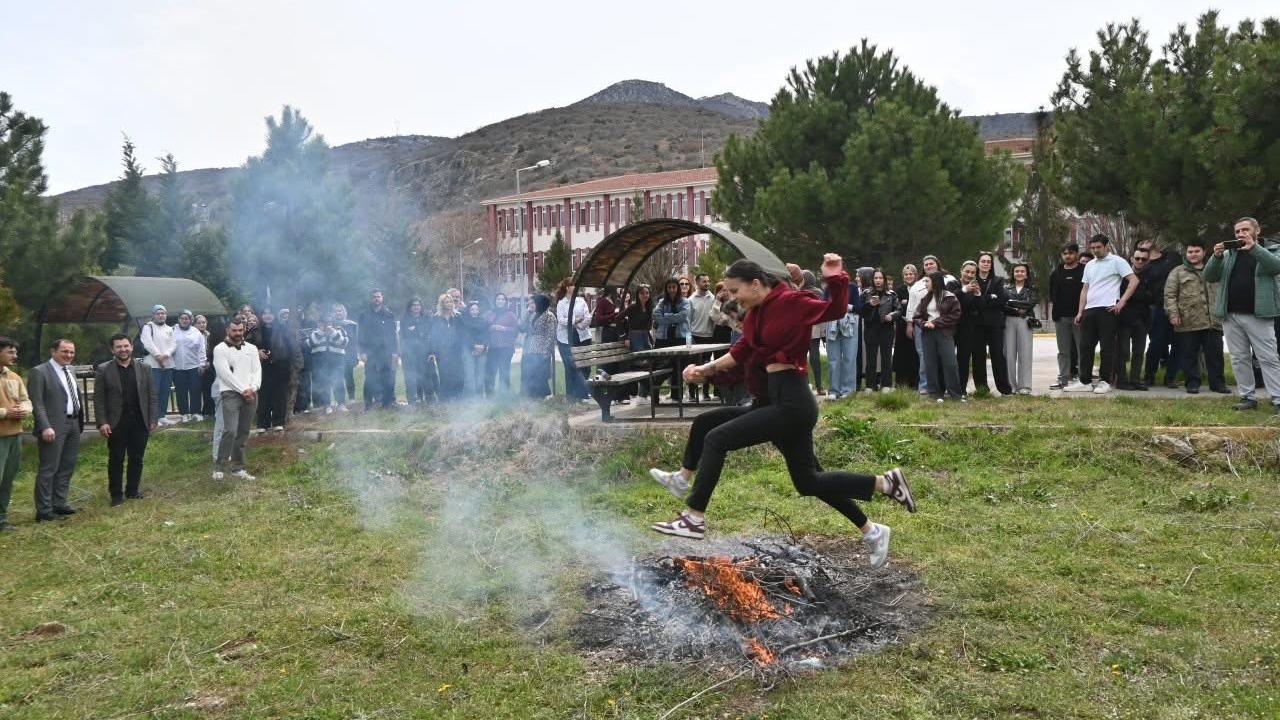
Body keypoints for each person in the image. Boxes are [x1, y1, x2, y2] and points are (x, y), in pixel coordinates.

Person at [647, 256, 916, 568]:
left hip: (791, 403)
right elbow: (741, 354)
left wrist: (835, 279)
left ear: (756, 285)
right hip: (772, 402)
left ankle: (693, 517)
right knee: (808, 481)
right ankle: (877, 512)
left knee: (717, 438)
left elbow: (835, 310)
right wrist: (704, 371)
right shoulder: (757, 315)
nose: (733, 298)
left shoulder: (789, 302)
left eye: (736, 291)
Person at [1203, 217, 1280, 414]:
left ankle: (1278, 398)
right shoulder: (1229, 254)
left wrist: (1253, 248)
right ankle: (1248, 397)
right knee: (1239, 358)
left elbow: (1274, 267)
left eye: (1245, 230)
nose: (1240, 234)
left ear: (1257, 231)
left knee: (1268, 358)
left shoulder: (1271, 249)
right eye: (1237, 231)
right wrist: (1216, 257)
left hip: (1259, 314)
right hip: (1231, 314)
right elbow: (1209, 276)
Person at [1064, 234, 1138, 394]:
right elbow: (1085, 289)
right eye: (1093, 248)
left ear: (1106, 246)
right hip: (1089, 310)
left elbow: (1134, 281)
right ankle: (1085, 381)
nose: (1096, 250)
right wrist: (1080, 311)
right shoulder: (1090, 264)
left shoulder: (1117, 261)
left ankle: (1105, 381)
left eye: (1098, 247)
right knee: (1085, 347)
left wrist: (1121, 302)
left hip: (1108, 310)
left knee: (1107, 347)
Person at [94, 334, 158, 506]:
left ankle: (132, 490)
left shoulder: (145, 368)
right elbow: (99, 399)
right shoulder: (103, 369)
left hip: (140, 420)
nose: (123, 349)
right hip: (116, 422)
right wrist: (102, 422)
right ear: (112, 350)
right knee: (116, 458)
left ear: (131, 346)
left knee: (137, 458)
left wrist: (152, 418)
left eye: (126, 346)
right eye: (119, 347)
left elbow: (151, 395)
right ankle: (116, 495)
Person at [28, 339, 85, 522]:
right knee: (49, 468)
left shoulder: (72, 370)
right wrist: (45, 426)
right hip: (53, 427)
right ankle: (43, 510)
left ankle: (59, 503)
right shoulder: (39, 371)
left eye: (71, 352)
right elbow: (37, 403)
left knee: (67, 466)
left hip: (74, 424)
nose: (69, 355)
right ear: (53, 351)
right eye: (64, 351)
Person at [1164, 240, 1227, 395]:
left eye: (1196, 251)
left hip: (1213, 320)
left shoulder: (1214, 269)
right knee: (1189, 355)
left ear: (1204, 252)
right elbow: (1169, 295)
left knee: (1215, 355)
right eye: (1190, 252)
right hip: (1188, 321)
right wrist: (1173, 314)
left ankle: (1218, 384)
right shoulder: (1177, 272)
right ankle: (1192, 383)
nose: (1193, 255)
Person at [213, 318, 261, 481]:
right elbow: (224, 374)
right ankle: (219, 466)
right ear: (228, 330)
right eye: (234, 330)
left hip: (251, 393)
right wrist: (243, 390)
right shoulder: (220, 349)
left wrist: (252, 388)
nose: (238, 333)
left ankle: (237, 468)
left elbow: (257, 371)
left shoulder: (252, 348)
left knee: (243, 432)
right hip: (231, 394)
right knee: (230, 431)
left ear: (244, 329)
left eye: (241, 330)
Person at [904, 255, 955, 394]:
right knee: (924, 356)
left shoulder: (949, 280)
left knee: (944, 357)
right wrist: (910, 324)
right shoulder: (917, 285)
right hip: (923, 326)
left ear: (937, 264)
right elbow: (912, 307)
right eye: (926, 264)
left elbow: (955, 302)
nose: (928, 266)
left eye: (931, 263)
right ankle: (925, 387)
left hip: (944, 326)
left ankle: (944, 387)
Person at [915, 272, 965, 403]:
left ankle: (956, 395)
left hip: (944, 333)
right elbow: (917, 316)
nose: (925, 284)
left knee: (950, 364)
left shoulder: (950, 297)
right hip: (928, 334)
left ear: (935, 282)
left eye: (927, 282)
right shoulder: (925, 298)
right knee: (930, 364)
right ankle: (935, 394)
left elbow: (955, 315)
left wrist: (935, 323)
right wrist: (924, 323)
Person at [1115, 248, 1159, 390]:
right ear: (1132, 259)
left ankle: (1135, 380)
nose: (1140, 261)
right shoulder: (1123, 276)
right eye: (1137, 258)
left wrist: (1137, 295)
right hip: (1124, 320)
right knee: (1122, 352)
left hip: (1142, 319)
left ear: (1147, 261)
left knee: (1139, 352)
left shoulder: (1150, 276)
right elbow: (1121, 296)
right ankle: (1121, 380)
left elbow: (1153, 297)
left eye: (1143, 259)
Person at [0, 337, 32, 531]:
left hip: (14, 435)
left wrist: (24, 410)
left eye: (15, 352)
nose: (15, 356)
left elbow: (26, 400)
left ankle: (2, 520)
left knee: (8, 478)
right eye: (10, 352)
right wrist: (5, 413)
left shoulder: (15, 377)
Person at [972, 252, 1013, 395]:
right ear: (978, 263)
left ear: (991, 265)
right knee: (978, 356)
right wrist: (990, 297)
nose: (985, 264)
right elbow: (972, 303)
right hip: (977, 325)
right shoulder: (973, 281)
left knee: (997, 356)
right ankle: (982, 389)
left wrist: (981, 299)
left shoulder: (998, 280)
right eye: (983, 261)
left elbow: (1001, 300)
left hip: (995, 324)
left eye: (988, 262)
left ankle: (1004, 389)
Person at [1048, 244, 1085, 390]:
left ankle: (1083, 379)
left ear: (1076, 254)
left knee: (1082, 349)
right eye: (1064, 253)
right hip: (1061, 317)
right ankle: (1063, 378)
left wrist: (1082, 312)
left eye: (1070, 253)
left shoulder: (1084, 271)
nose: (1067, 256)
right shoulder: (1056, 273)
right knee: (1063, 351)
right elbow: (1052, 295)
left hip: (1080, 317)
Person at [254, 308, 297, 431]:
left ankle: (278, 422)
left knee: (280, 396)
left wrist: (291, 366)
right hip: (262, 368)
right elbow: (247, 345)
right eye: (265, 313)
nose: (267, 316)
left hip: (280, 366)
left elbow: (291, 347)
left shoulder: (283, 329)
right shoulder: (256, 330)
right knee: (264, 396)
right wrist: (257, 352)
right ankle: (263, 424)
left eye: (270, 313)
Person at [358, 289, 400, 410]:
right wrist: (362, 352)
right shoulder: (364, 315)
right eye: (374, 297)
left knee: (387, 378)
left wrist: (395, 352)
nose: (376, 299)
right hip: (370, 352)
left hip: (386, 352)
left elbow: (393, 335)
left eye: (378, 297)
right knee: (370, 378)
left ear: (382, 298)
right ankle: (368, 405)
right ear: (371, 299)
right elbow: (360, 335)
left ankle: (387, 404)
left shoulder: (389, 314)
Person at [652, 277, 691, 402]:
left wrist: (666, 317)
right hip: (663, 339)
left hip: (680, 338)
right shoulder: (662, 302)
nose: (672, 290)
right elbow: (657, 317)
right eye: (669, 287)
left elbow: (683, 316)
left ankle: (676, 396)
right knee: (659, 368)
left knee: (678, 368)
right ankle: (655, 396)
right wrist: (672, 318)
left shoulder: (685, 302)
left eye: (674, 287)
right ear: (666, 289)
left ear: (677, 288)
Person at [555, 279, 593, 402]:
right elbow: (561, 320)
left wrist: (577, 324)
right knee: (571, 367)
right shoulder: (561, 303)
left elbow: (587, 318)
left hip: (583, 336)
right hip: (566, 339)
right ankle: (573, 395)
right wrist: (575, 320)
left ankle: (581, 393)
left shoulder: (581, 301)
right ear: (567, 287)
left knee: (585, 366)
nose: (576, 287)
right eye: (573, 285)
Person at [1003, 263, 1038, 395]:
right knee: (1009, 354)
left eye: (1022, 271)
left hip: (1025, 320)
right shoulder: (1006, 288)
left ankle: (1025, 386)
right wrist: (1016, 307)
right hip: (1008, 321)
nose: (1019, 273)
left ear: (1027, 274)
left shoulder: (1032, 289)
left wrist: (1015, 305)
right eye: (1016, 271)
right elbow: (1004, 303)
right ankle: (1010, 386)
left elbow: (1030, 303)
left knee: (1025, 353)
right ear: (1013, 273)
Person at [861, 269, 898, 393]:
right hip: (871, 328)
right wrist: (869, 305)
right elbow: (860, 311)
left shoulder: (891, 294)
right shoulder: (866, 293)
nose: (878, 281)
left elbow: (898, 309)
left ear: (884, 280)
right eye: (876, 278)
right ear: (872, 280)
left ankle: (886, 385)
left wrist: (891, 316)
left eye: (880, 278)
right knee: (871, 357)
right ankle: (870, 385)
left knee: (886, 357)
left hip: (886, 328)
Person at [139, 304, 176, 425]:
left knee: (165, 390)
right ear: (154, 315)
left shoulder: (170, 329)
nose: (161, 315)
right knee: (154, 391)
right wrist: (158, 356)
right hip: (152, 365)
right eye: (158, 313)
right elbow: (148, 343)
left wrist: (166, 355)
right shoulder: (148, 327)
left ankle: (162, 415)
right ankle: (153, 417)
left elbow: (173, 345)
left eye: (163, 313)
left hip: (167, 364)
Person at [307, 315, 350, 413]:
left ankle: (341, 404)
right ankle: (327, 405)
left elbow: (344, 343)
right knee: (324, 382)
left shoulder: (340, 330)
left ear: (332, 323)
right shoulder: (315, 332)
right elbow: (311, 343)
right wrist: (321, 332)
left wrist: (333, 333)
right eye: (323, 323)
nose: (326, 325)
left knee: (338, 381)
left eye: (329, 323)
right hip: (320, 360)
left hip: (337, 359)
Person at [954, 261, 985, 394]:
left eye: (972, 272)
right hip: (950, 326)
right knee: (947, 358)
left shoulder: (975, 286)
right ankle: (944, 387)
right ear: (961, 270)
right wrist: (964, 290)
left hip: (967, 327)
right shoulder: (953, 284)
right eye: (967, 271)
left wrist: (978, 295)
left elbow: (980, 307)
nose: (969, 274)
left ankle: (961, 389)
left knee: (964, 358)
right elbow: (949, 298)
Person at [171, 310, 207, 422]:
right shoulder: (172, 330)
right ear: (179, 320)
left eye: (186, 319)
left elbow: (202, 349)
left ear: (190, 320)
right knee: (181, 390)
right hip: (177, 367)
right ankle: (184, 414)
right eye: (182, 318)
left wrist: (202, 363)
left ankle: (195, 413)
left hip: (194, 366)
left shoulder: (196, 332)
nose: (184, 321)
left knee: (195, 389)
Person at [428, 293, 465, 400]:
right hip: (442, 352)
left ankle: (457, 396)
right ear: (442, 304)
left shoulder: (458, 317)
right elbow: (433, 335)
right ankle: (446, 397)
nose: (449, 304)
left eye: (451, 302)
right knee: (444, 374)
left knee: (458, 373)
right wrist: (432, 351)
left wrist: (461, 346)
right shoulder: (436, 318)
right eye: (446, 302)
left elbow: (463, 333)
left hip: (456, 351)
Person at [520, 295, 557, 399]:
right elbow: (522, 327)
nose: (530, 305)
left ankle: (543, 396)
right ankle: (529, 395)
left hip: (541, 349)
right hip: (528, 348)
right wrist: (527, 313)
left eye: (533, 303)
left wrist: (546, 351)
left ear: (540, 303)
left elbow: (551, 334)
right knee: (527, 372)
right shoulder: (532, 314)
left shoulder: (549, 316)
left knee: (539, 374)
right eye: (529, 303)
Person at [687, 274, 716, 402]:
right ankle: (692, 393)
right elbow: (687, 321)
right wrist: (689, 338)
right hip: (695, 336)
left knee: (707, 365)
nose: (707, 283)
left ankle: (705, 393)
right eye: (704, 281)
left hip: (709, 336)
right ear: (697, 283)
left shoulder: (713, 298)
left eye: (708, 281)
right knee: (693, 365)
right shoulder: (691, 299)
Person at [625, 285, 655, 403]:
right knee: (641, 365)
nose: (645, 295)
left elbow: (648, 326)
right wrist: (625, 336)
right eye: (642, 293)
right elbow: (619, 319)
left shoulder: (649, 307)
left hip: (645, 337)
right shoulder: (632, 307)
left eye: (647, 293)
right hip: (635, 337)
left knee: (649, 365)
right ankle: (641, 396)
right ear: (638, 295)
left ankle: (644, 394)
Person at [400, 298, 432, 405]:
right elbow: (404, 336)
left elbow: (429, 334)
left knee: (424, 376)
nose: (416, 307)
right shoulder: (405, 319)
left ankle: (426, 399)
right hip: (409, 353)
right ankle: (412, 400)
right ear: (410, 307)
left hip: (424, 352)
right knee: (411, 377)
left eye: (418, 305)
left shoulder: (426, 318)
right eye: (414, 305)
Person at [485, 293, 518, 396]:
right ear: (495, 301)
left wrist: (504, 329)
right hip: (493, 348)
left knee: (504, 372)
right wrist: (490, 328)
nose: (500, 301)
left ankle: (504, 395)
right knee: (490, 372)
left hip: (506, 348)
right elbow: (484, 329)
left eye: (502, 299)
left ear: (505, 302)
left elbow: (516, 330)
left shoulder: (510, 314)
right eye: (498, 299)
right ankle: (490, 395)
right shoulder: (490, 314)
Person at [893, 265, 920, 388]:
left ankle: (915, 382)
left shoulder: (920, 288)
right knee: (901, 353)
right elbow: (897, 307)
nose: (908, 276)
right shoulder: (899, 290)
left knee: (915, 353)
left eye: (911, 274)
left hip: (918, 325)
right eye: (906, 274)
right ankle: (900, 382)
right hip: (902, 325)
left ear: (915, 275)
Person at [332, 303, 359, 406]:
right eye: (336, 311)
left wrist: (355, 355)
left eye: (340, 311)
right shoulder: (331, 324)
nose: (338, 313)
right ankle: (338, 401)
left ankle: (352, 399)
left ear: (344, 312)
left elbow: (355, 342)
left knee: (349, 376)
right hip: (335, 355)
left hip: (348, 354)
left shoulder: (352, 324)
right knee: (336, 378)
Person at [461, 301, 489, 395]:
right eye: (472, 309)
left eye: (476, 309)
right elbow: (464, 336)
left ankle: (480, 395)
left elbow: (487, 335)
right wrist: (474, 346)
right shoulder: (465, 322)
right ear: (468, 310)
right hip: (468, 350)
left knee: (480, 374)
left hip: (482, 350)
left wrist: (483, 346)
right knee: (470, 374)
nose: (474, 311)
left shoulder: (484, 321)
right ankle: (471, 396)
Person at [194, 315, 216, 418]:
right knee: (197, 390)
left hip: (209, 365)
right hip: (196, 365)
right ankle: (196, 412)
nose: (202, 324)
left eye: (204, 322)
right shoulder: (192, 335)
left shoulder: (209, 335)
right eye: (199, 323)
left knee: (209, 389)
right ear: (195, 324)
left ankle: (209, 410)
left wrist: (208, 362)